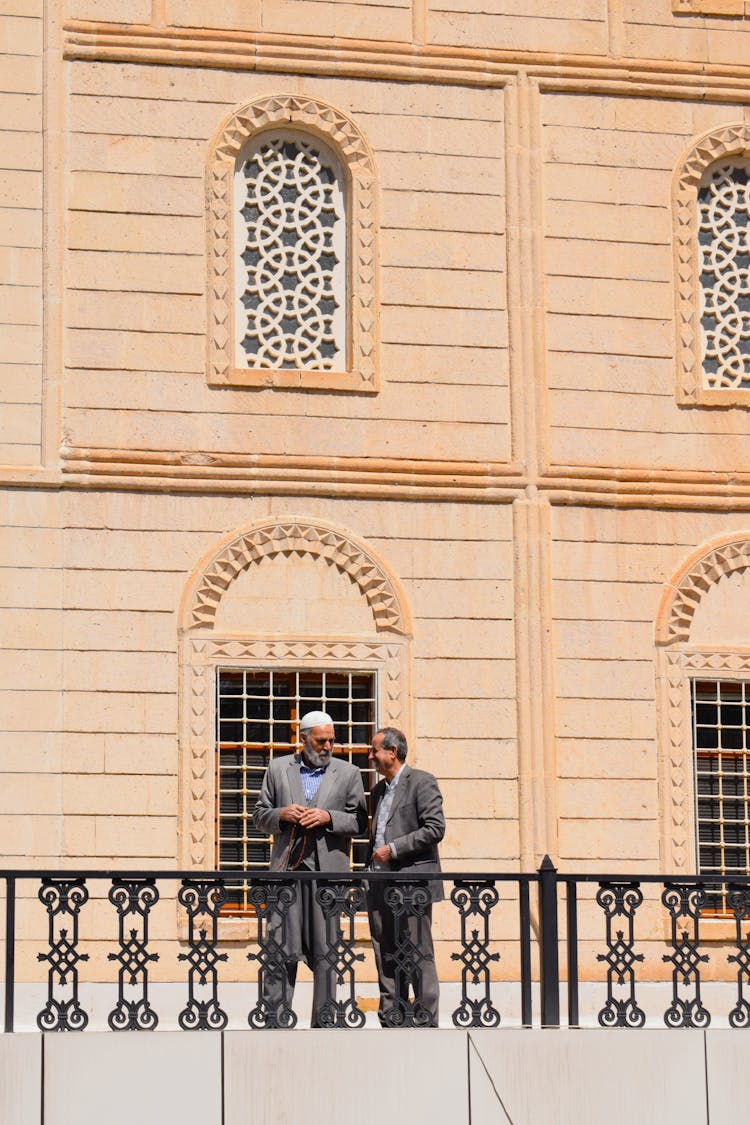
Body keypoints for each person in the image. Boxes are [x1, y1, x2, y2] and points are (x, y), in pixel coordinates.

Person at [253, 710, 367, 1027]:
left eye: (331, 740)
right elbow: (259, 816)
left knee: (327, 951)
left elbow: (360, 822)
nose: (328, 746)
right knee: (279, 948)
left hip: (327, 877)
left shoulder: (348, 773)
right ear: (302, 738)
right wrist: (282, 814)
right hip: (287, 873)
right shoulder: (277, 769)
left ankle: (325, 1021)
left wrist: (329, 818)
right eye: (321, 740)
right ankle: (275, 1020)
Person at [366, 726, 445, 1027]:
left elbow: (435, 828)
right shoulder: (377, 791)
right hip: (379, 884)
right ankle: (393, 1016)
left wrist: (394, 850)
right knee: (384, 950)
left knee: (417, 952)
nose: (371, 756)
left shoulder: (421, 782)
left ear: (392, 752)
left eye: (375, 750)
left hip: (412, 884)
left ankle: (425, 1020)